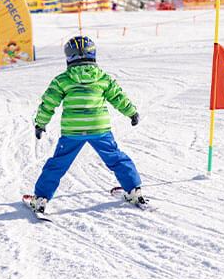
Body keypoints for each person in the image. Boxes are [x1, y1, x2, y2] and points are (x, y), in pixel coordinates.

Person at [29, 36, 144, 214]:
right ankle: (134, 190)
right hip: (99, 129)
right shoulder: (103, 78)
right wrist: (131, 112)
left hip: (73, 131)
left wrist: (40, 123)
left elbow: (49, 103)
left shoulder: (62, 80)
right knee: (116, 158)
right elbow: (118, 97)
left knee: (58, 164)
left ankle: (41, 198)